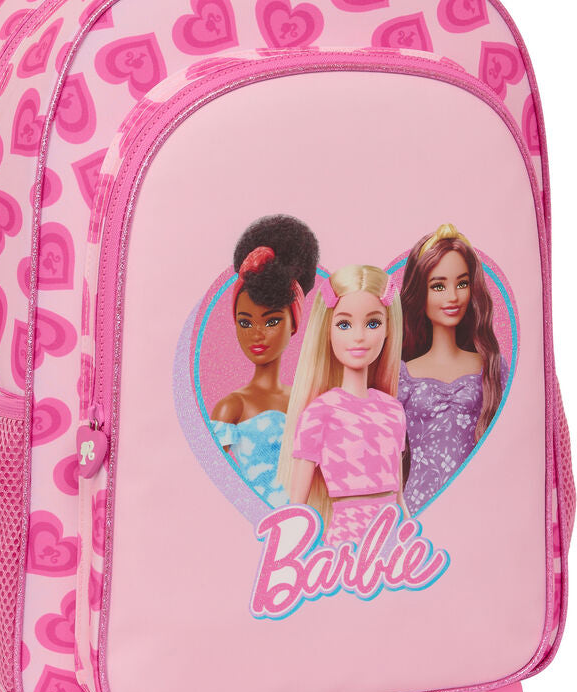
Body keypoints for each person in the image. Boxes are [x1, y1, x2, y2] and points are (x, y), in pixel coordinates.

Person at [278, 264, 406, 547]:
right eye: (344, 325)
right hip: (346, 544)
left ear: (388, 328)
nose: (358, 337)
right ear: (327, 330)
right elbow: (297, 505)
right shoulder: (320, 413)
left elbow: (398, 496)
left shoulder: (392, 410)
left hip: (393, 540)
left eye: (373, 323)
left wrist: (412, 537)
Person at [210, 215, 318, 509]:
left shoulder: (307, 400)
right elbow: (209, 485)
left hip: (310, 522)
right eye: (245, 323)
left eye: (271, 321)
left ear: (293, 324)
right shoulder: (233, 407)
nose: (257, 334)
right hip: (252, 522)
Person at [398, 223, 508, 513]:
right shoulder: (402, 376)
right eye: (438, 286)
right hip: (418, 509)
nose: (453, 297)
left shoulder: (492, 368)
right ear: (419, 292)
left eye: (462, 284)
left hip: (479, 506)